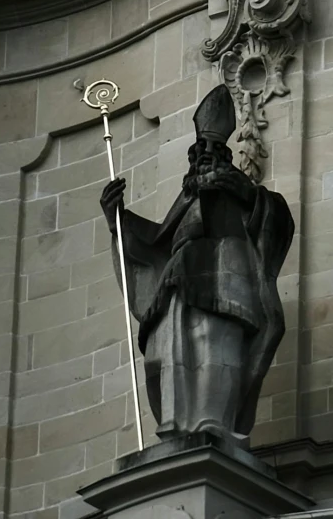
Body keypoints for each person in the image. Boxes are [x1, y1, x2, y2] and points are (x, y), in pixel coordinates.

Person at [100, 83, 293, 451]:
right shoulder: (186, 198)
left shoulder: (239, 190)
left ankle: (213, 425)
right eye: (199, 149)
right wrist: (118, 220)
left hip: (227, 285)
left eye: (213, 149)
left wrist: (247, 193)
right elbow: (156, 240)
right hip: (177, 285)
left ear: (226, 155)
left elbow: (278, 220)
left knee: (214, 347)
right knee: (168, 356)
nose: (205, 154)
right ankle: (176, 426)